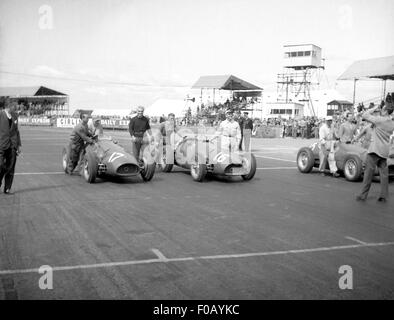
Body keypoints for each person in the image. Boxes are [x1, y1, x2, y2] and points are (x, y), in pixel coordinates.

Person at [356, 103, 394, 202]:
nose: (381, 110)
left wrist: (374, 108)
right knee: (384, 175)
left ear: (385, 111)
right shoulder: (391, 123)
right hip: (384, 151)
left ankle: (363, 195)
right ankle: (383, 196)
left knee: (368, 174)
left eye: (382, 109)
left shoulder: (379, 120)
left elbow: (364, 115)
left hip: (375, 150)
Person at [0, 100, 22, 194]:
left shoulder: (15, 115)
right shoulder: (0, 115)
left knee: (11, 167)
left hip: (12, 145)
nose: (16, 108)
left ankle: (7, 187)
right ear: (8, 106)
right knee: (1, 166)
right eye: (14, 106)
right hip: (1, 144)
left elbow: (16, 131)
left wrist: (19, 145)